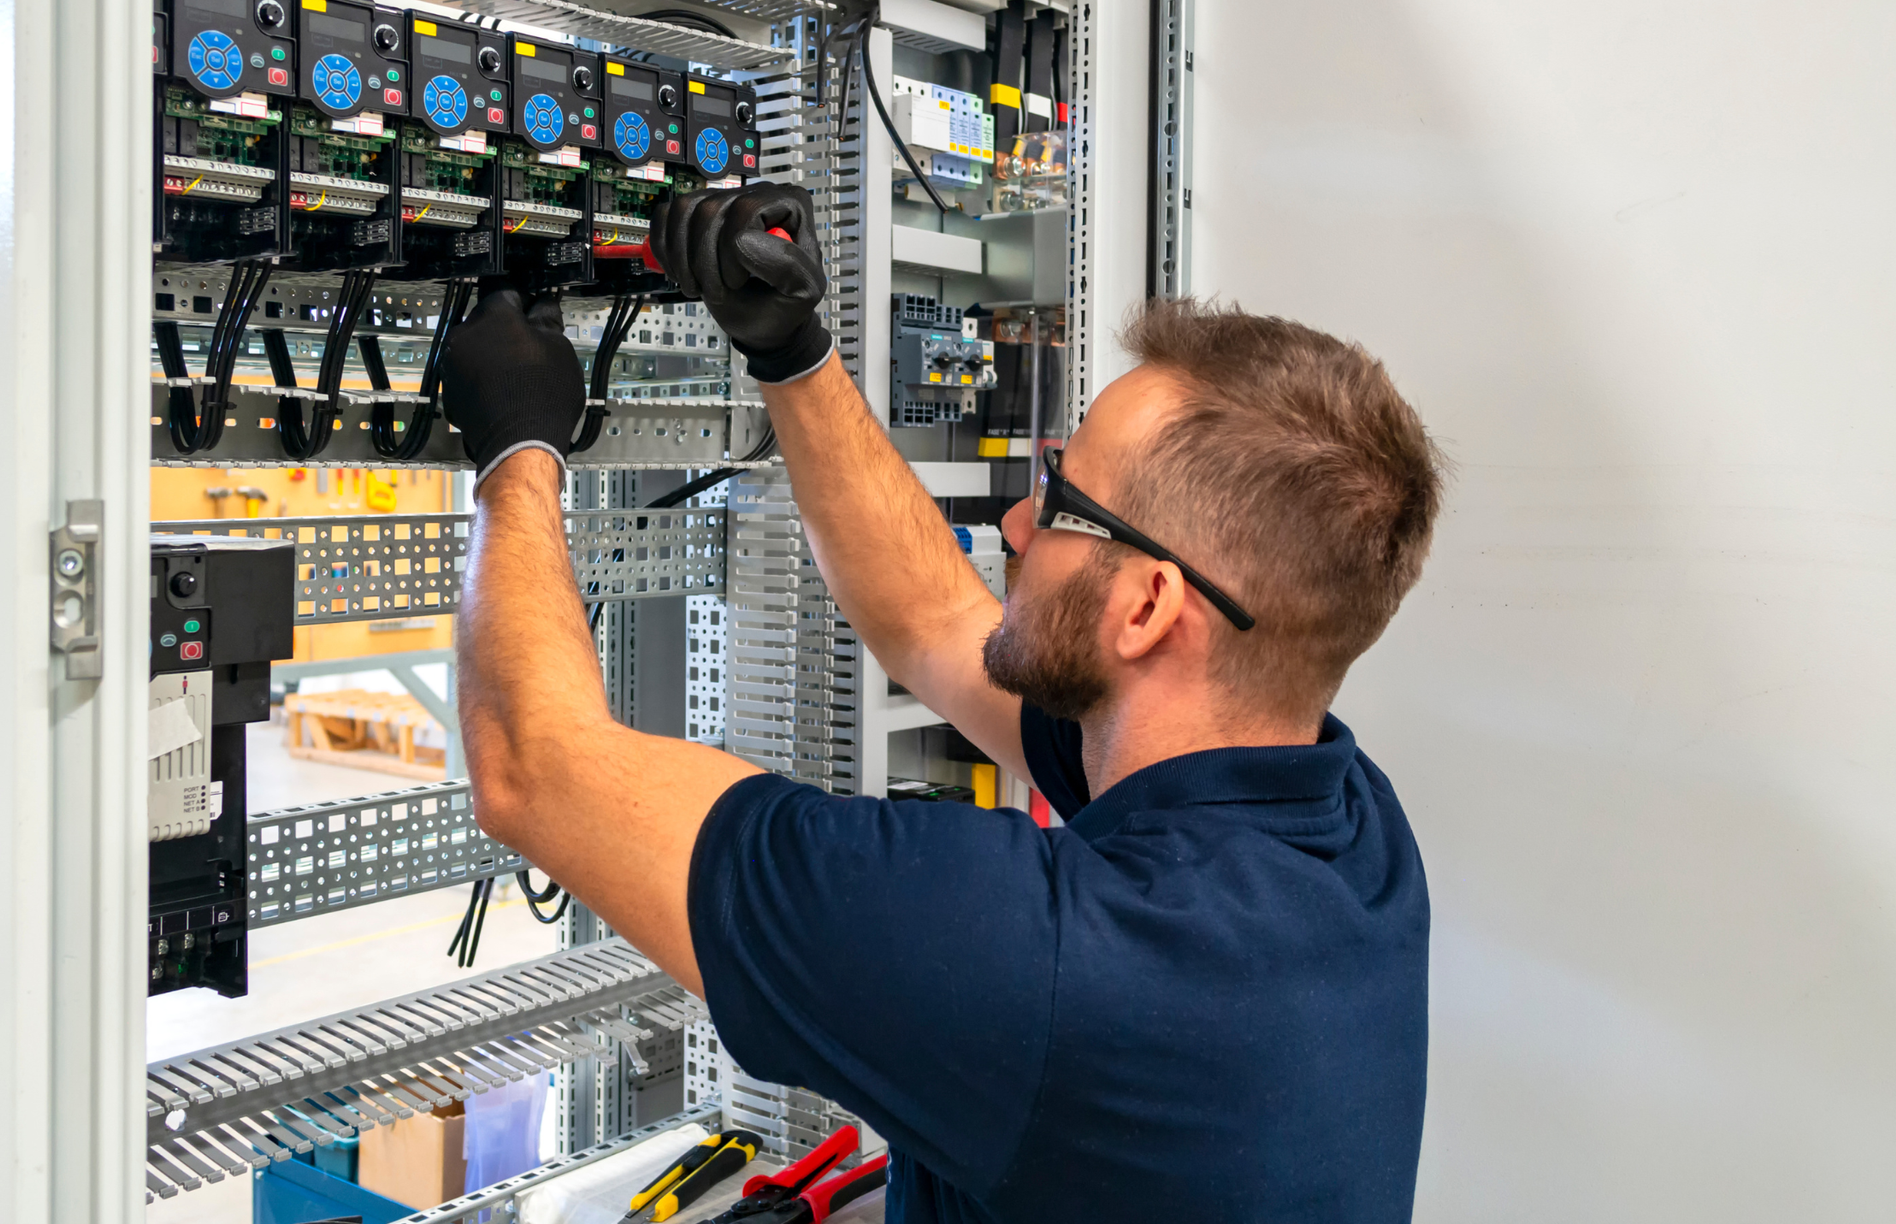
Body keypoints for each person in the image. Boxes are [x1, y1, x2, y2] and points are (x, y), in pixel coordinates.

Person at [438, 184, 1446, 1224]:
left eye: (1063, 502)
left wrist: (517, 451)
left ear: (1148, 606)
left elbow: (532, 766)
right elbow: (934, 622)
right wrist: (791, 349)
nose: (1015, 522)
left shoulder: (1052, 963)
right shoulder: (1349, 829)